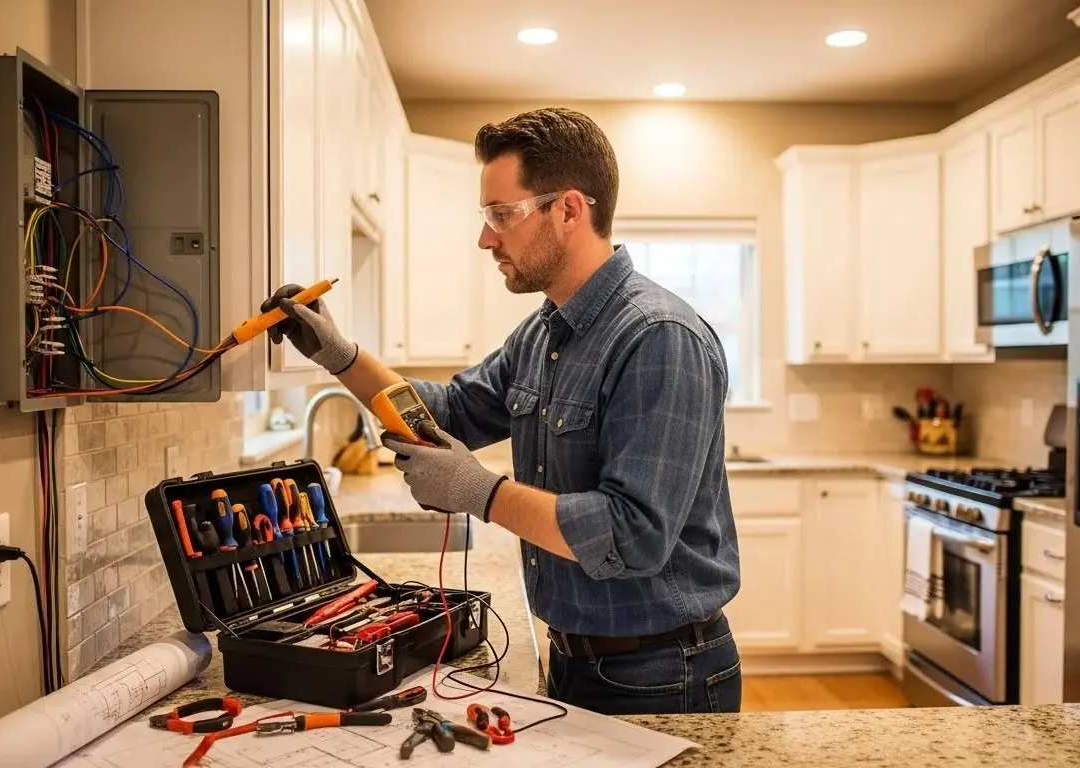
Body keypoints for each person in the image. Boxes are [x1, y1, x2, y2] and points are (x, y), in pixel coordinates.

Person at [260, 107, 742, 715]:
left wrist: (481, 492)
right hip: (574, 659)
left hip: (663, 673)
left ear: (569, 210)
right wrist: (340, 356)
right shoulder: (543, 334)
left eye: (501, 215)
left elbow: (633, 534)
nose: (486, 238)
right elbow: (450, 412)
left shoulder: (658, 337)